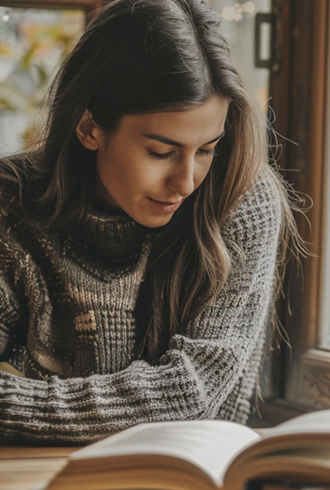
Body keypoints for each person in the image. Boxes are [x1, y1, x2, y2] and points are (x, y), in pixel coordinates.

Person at [0, 0, 300, 444]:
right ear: (89, 127)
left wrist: (16, 403)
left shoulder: (242, 199)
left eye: (206, 149)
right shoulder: (12, 202)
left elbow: (191, 393)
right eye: (161, 152)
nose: (185, 181)